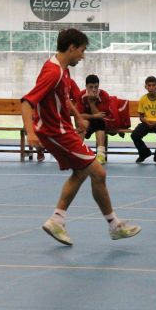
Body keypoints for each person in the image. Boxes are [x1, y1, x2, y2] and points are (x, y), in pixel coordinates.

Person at [21, 29, 140, 244]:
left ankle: (57, 219)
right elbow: (27, 102)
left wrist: (79, 117)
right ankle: (114, 225)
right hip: (55, 132)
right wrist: (30, 132)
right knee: (98, 173)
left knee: (81, 173)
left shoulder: (61, 70)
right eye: (82, 51)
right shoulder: (53, 72)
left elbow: (64, 99)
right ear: (72, 47)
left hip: (62, 129)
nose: (83, 56)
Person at [131, 76, 156, 164]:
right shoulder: (143, 99)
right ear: (146, 87)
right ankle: (144, 153)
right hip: (147, 122)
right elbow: (141, 117)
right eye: (149, 85)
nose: (151, 87)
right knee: (134, 135)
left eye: (153, 85)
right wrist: (146, 121)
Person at [79, 74, 110, 165]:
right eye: (91, 87)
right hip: (86, 122)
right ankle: (79, 153)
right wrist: (94, 116)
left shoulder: (104, 95)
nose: (94, 89)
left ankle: (100, 154)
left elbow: (101, 116)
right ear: (86, 87)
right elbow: (79, 115)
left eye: (96, 87)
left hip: (99, 122)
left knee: (100, 123)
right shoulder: (81, 95)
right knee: (82, 123)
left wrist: (92, 103)